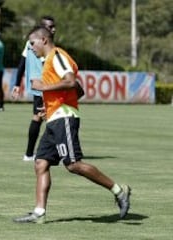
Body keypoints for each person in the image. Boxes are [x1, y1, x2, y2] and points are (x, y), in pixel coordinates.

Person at [13, 26, 131, 224]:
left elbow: (71, 82)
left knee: (73, 164)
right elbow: (78, 90)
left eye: (32, 43)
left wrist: (45, 88)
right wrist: (50, 106)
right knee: (41, 163)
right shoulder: (49, 61)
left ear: (43, 40)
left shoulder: (57, 56)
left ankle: (120, 191)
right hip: (54, 116)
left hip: (64, 117)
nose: (31, 48)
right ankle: (39, 213)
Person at [11, 16, 56, 161]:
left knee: (39, 118)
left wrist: (17, 84)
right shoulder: (42, 45)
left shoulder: (28, 43)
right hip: (45, 85)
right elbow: (45, 65)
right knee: (53, 118)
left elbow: (21, 64)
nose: (53, 29)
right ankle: (53, 154)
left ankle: (29, 154)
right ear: (42, 29)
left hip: (37, 85)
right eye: (50, 27)